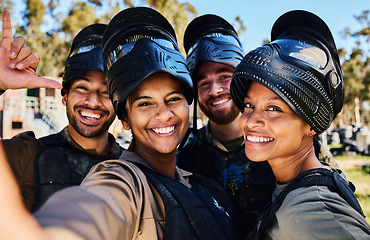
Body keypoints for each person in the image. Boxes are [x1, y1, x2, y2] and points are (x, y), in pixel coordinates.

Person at [0, 7, 241, 240]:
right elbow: (93, 210)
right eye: (145, 103)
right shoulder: (122, 178)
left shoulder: (202, 181)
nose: (164, 113)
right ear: (125, 118)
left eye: (173, 99)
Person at [230, 10, 370, 239]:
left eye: (274, 109)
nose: (251, 121)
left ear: (311, 125)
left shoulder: (312, 210)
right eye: (248, 105)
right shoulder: (291, 187)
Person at [0, 11, 123, 212]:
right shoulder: (26, 155)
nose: (93, 101)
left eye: (106, 92)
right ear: (64, 96)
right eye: (82, 88)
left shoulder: (135, 167)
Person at [177, 14, 276, 235]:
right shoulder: (184, 158)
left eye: (224, 76)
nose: (215, 90)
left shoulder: (281, 141)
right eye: (203, 82)